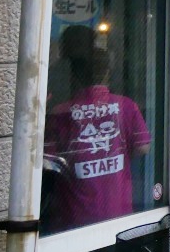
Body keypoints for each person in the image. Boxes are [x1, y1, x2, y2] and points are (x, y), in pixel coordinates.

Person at [43, 44, 151, 233]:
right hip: (118, 211)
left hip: (74, 216)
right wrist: (118, 153)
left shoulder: (61, 112)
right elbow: (143, 147)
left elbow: (47, 161)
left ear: (74, 75)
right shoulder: (126, 105)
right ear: (108, 72)